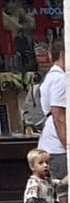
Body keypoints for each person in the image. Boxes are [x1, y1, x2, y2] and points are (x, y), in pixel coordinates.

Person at [42, 44, 67, 183]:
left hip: (53, 142)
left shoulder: (53, 76)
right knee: (64, 192)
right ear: (63, 54)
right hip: (58, 146)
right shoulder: (60, 78)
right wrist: (67, 145)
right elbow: (59, 115)